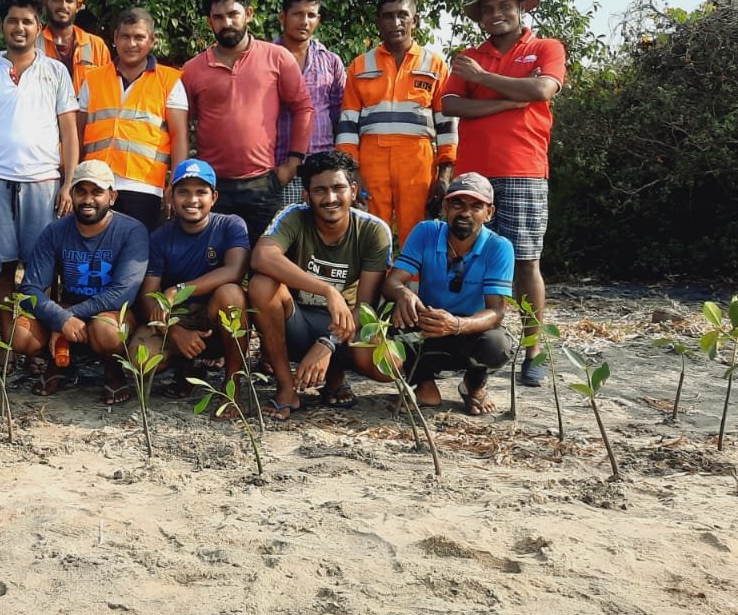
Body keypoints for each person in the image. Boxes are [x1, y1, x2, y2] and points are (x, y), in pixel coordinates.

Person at [439, 0, 567, 388]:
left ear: (522, 7)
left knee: (526, 262)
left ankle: (533, 350)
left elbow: (543, 89)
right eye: (488, 9)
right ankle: (477, 348)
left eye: (504, 6)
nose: (496, 15)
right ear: (480, 17)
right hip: (472, 173)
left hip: (524, 169)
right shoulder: (466, 56)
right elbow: (451, 104)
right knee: (466, 258)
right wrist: (511, 99)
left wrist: (486, 81)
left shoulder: (546, 48)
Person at [0, 0, 80, 332]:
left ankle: (36, 342)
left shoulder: (56, 72)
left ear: (38, 26)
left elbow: (69, 132)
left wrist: (68, 183)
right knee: (0, 265)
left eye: (27, 21)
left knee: (40, 267)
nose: (19, 27)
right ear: (2, 26)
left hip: (44, 181)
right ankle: (8, 342)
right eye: (12, 20)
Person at [249, 150, 392, 420]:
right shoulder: (294, 216)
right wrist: (327, 290)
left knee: (386, 366)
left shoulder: (374, 231)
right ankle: (286, 387)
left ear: (353, 190)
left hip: (346, 328)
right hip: (297, 322)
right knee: (261, 284)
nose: (330, 199)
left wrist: (328, 342)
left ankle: (335, 376)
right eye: (319, 190)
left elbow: (366, 306)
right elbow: (262, 256)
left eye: (338, 188)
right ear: (306, 195)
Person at [180, 0, 315, 245]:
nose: (226, 22)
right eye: (218, 17)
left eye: (233, 14)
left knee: (265, 268)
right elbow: (181, 125)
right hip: (212, 185)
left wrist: (293, 163)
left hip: (263, 184)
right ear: (210, 22)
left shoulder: (277, 58)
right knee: (215, 267)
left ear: (249, 14)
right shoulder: (192, 69)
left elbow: (303, 107)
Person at [13, 161, 150, 405]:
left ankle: (114, 371)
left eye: (96, 192)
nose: (88, 200)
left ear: (112, 196)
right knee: (20, 334)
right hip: (67, 307)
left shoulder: (132, 230)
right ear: (72, 194)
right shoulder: (55, 231)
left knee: (106, 331)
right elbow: (30, 289)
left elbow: (123, 294)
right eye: (81, 191)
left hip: (111, 312)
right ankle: (61, 363)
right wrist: (60, 316)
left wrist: (66, 317)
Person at [378, 172, 515, 415]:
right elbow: (392, 283)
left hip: (470, 332)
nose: (465, 213)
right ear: (445, 206)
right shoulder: (426, 232)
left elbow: (497, 311)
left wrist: (457, 324)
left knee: (498, 345)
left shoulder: (499, 247)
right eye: (457, 204)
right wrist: (404, 294)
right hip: (427, 327)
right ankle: (425, 386)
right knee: (395, 319)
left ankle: (474, 386)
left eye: (476, 206)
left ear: (489, 213)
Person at [336, 0, 456, 243]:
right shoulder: (360, 65)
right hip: (370, 162)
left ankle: (411, 284)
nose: (396, 22)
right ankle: (373, 283)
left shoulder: (434, 64)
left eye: (402, 15)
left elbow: (447, 125)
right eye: (388, 17)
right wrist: (351, 171)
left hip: (417, 161)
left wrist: (444, 174)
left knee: (418, 232)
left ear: (416, 20)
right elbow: (347, 124)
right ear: (378, 22)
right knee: (370, 229)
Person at [128, 159, 250, 400]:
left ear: (213, 197)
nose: (192, 200)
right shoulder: (160, 237)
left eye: (201, 192)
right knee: (140, 360)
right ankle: (186, 368)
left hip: (216, 318)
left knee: (231, 294)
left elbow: (235, 270)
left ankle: (232, 383)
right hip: (178, 318)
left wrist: (179, 289)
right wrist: (174, 332)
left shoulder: (230, 225)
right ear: (171, 196)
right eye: (183, 192)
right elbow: (148, 295)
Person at [75, 6, 188, 231]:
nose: (131, 43)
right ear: (115, 38)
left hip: (144, 187)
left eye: (139, 37)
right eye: (125, 36)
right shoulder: (93, 79)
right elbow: (77, 134)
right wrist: (73, 178)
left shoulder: (169, 81)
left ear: (152, 40)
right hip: (97, 184)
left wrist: (176, 183)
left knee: (137, 253)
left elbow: (180, 137)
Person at [273, 0, 346, 208]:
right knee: (280, 235)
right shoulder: (264, 57)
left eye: (311, 15)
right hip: (279, 167)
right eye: (297, 14)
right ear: (283, 17)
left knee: (322, 237)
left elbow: (339, 116)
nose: (304, 21)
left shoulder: (331, 61)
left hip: (322, 169)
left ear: (318, 19)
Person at [39, 0, 114, 86]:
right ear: (45, 2)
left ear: (78, 6)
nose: (63, 6)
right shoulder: (33, 46)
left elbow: (107, 92)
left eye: (69, 0)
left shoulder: (97, 47)